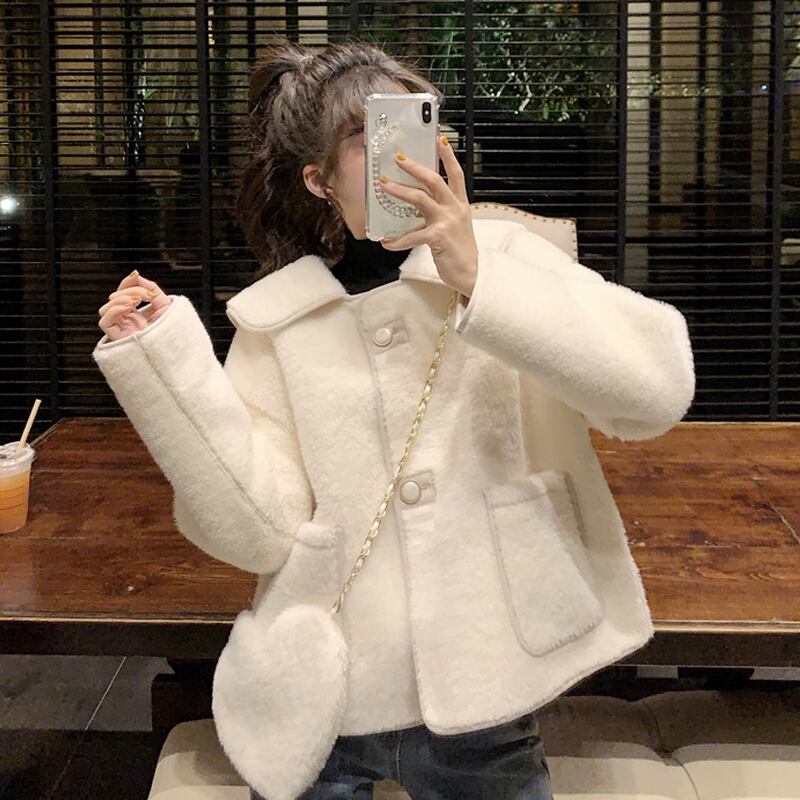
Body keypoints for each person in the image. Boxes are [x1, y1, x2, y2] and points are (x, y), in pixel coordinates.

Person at [93, 39, 694, 800]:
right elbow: (255, 530)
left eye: (418, 123)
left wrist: (480, 279)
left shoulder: (505, 257)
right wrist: (163, 366)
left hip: (489, 685)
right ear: (318, 180)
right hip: (329, 701)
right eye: (369, 135)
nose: (408, 154)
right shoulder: (278, 321)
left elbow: (656, 391)